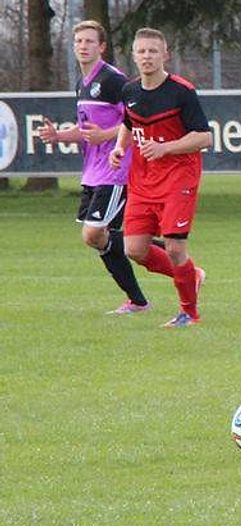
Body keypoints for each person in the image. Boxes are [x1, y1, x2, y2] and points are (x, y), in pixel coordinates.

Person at [38, 20, 151, 315]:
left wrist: (107, 137)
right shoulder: (81, 83)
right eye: (78, 42)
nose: (83, 47)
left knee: (93, 234)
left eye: (89, 42)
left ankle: (155, 280)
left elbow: (136, 120)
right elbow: (88, 129)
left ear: (101, 47)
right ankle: (153, 274)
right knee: (102, 237)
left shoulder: (114, 80)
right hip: (92, 171)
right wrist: (60, 136)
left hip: (116, 169)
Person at [109, 27, 212, 328]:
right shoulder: (129, 91)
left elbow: (204, 138)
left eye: (153, 51)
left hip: (178, 178)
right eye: (141, 51)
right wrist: (118, 147)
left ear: (165, 55)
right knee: (135, 249)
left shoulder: (181, 91)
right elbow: (128, 123)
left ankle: (189, 314)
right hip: (142, 181)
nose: (147, 56)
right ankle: (191, 275)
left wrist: (166, 148)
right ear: (134, 56)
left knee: (175, 247)